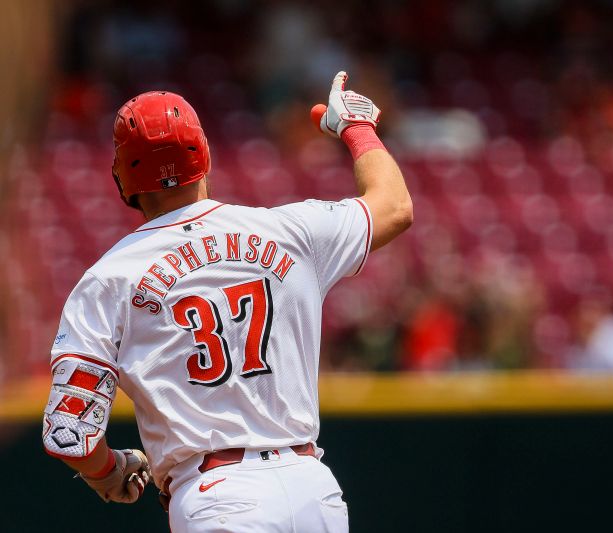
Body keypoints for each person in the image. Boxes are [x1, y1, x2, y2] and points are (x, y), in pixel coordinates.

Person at [42, 71, 412, 532]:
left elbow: (71, 434)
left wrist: (107, 471)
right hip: (311, 487)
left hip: (219, 496)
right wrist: (358, 128)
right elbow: (395, 207)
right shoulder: (292, 231)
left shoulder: (109, 277)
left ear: (123, 176)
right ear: (205, 156)